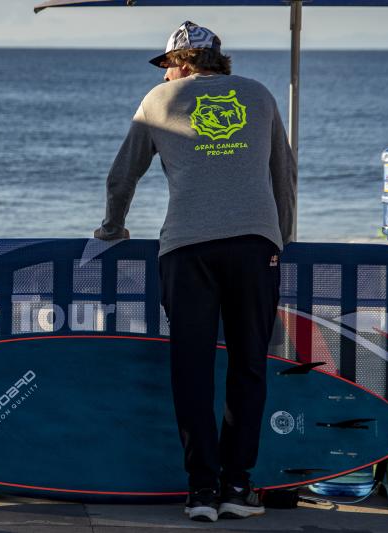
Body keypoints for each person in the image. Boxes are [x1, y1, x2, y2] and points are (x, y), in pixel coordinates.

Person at [94, 21, 296, 522]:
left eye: (167, 67)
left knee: (192, 369)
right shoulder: (260, 95)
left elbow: (122, 176)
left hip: (186, 249)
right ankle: (237, 487)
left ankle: (200, 491)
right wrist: (280, 237)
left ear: (182, 63)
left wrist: (111, 229)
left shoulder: (158, 103)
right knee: (249, 366)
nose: (166, 77)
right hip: (254, 245)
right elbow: (283, 175)